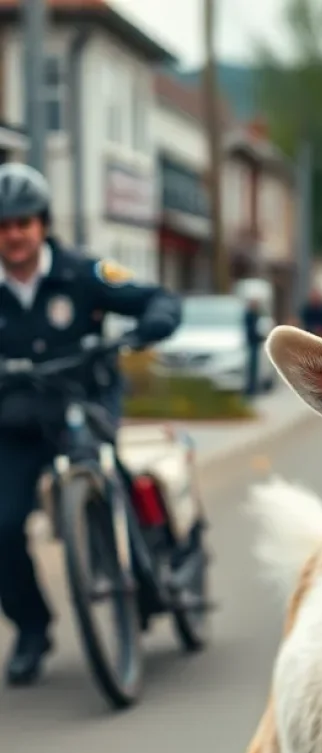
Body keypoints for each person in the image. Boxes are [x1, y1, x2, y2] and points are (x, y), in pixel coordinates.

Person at [0, 163, 182, 686]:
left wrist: (150, 326)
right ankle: (32, 629)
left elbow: (156, 298)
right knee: (3, 526)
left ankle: (143, 567)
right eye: (3, 226)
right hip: (16, 423)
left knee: (104, 474)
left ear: (42, 224)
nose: (14, 235)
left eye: (23, 223)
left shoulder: (83, 273)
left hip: (82, 405)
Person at [243, 295, 264, 398]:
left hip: (254, 343)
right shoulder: (250, 316)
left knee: (254, 368)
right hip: (252, 343)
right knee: (252, 368)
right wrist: (260, 338)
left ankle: (253, 387)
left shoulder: (254, 315)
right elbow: (252, 331)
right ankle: (251, 388)